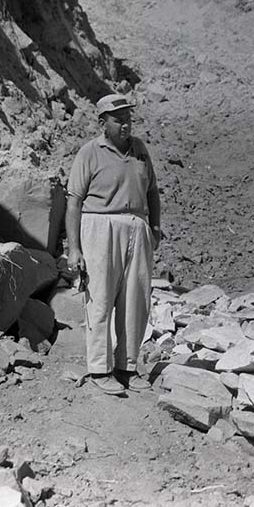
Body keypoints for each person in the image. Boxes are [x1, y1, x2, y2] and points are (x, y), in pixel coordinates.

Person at [65, 92, 164, 396]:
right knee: (100, 299)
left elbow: (153, 193)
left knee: (135, 301)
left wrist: (155, 227)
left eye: (128, 118)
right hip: (99, 227)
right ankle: (100, 369)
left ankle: (127, 367)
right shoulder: (90, 152)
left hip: (137, 227)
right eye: (118, 119)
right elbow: (74, 202)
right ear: (102, 122)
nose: (125, 124)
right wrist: (75, 248)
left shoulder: (140, 151)